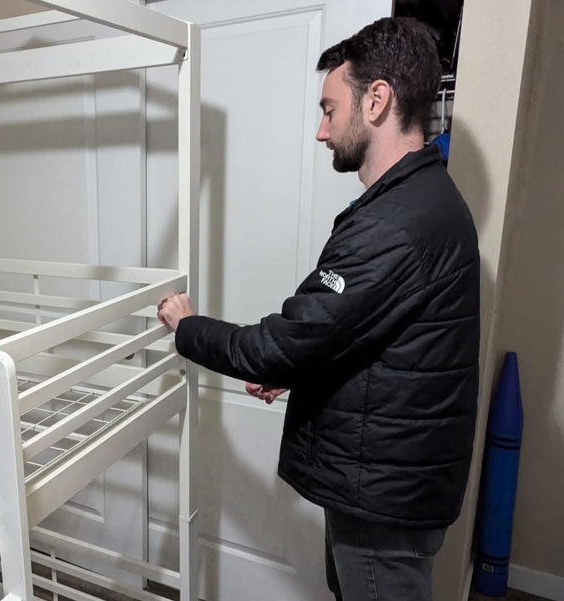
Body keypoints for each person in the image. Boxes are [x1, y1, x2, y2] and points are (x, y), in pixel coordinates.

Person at [157, 17, 480, 601]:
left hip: (383, 501)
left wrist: (187, 326)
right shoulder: (419, 201)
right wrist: (299, 371)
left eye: (330, 109)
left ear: (376, 100)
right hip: (390, 482)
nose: (321, 131)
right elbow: (365, 335)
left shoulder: (396, 224)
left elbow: (284, 342)